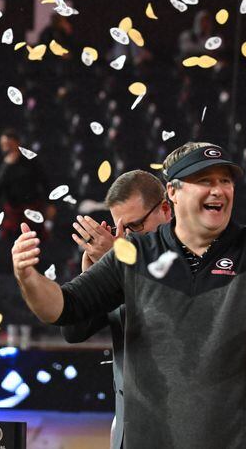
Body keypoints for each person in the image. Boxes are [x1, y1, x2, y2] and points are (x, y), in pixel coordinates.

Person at [12, 142, 246, 448]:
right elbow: (63, 307)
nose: (218, 190)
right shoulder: (133, 254)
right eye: (204, 181)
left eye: (225, 181)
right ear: (174, 193)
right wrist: (28, 278)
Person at [62, 170, 172, 449]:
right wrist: (94, 274)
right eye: (119, 229)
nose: (124, 238)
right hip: (127, 433)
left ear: (166, 210)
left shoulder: (193, 261)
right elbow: (73, 331)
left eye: (134, 226)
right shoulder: (118, 262)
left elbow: (170, 324)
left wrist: (121, 265)